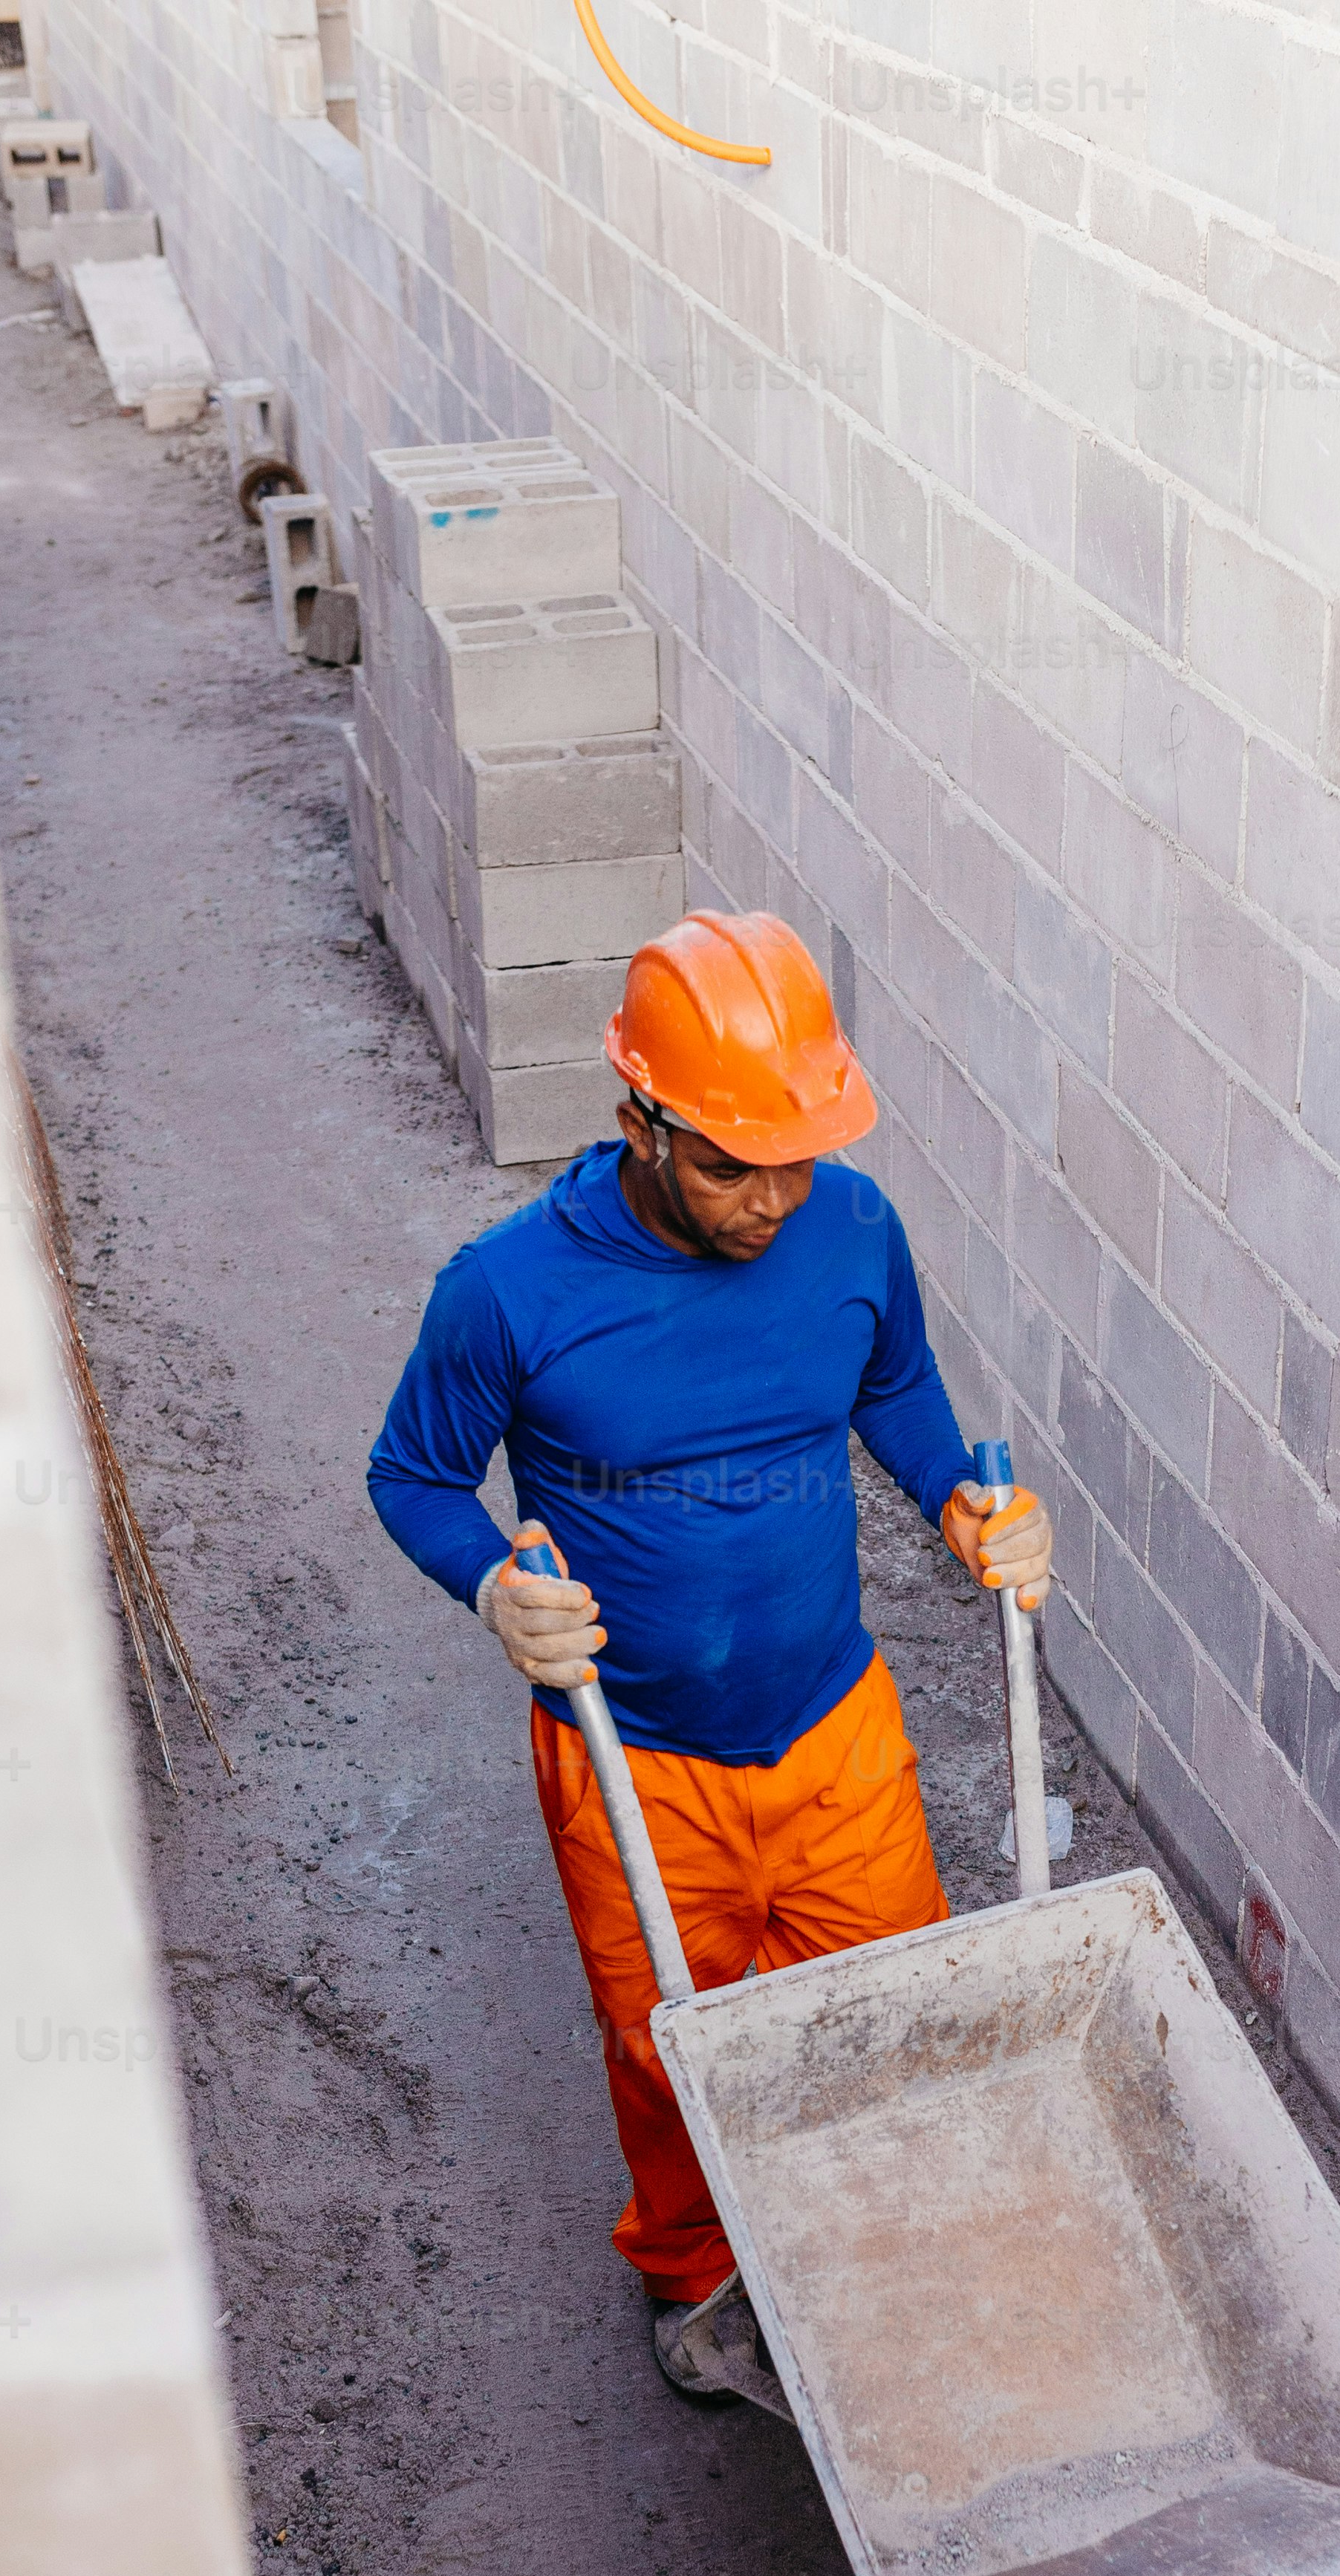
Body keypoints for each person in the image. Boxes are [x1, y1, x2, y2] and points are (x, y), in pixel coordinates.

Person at [366, 908, 1051, 2404]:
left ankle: (876, 2253)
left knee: (882, 2017)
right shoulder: (508, 1292)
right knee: (668, 2045)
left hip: (829, 1732)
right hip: (637, 1766)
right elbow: (411, 1475)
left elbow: (897, 1381)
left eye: (795, 1156)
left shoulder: (851, 1228)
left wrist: (960, 1500)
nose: (771, 1199)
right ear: (639, 1122)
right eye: (734, 1163)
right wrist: (490, 1584)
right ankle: (692, 2279)